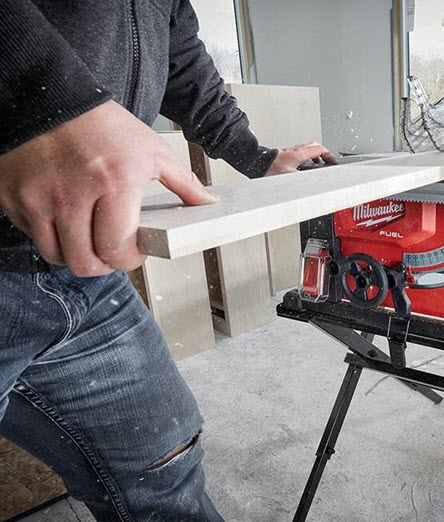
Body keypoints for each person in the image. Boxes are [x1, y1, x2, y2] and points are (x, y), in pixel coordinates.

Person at [0, 1, 335, 519]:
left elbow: (183, 66)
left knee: (163, 475)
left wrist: (257, 156)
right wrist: (39, 98)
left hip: (80, 276)